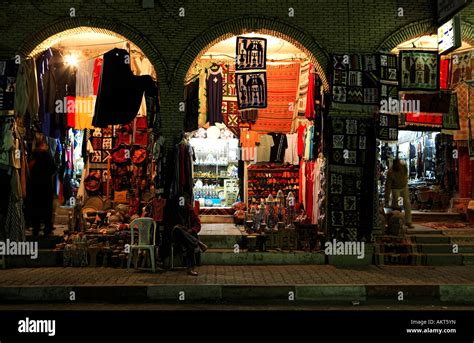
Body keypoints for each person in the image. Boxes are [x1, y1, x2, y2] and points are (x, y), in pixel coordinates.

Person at [164, 200, 207, 276]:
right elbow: (171, 227)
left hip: (188, 237)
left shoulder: (190, 212)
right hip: (176, 237)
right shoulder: (174, 212)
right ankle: (198, 242)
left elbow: (197, 225)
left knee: (189, 244)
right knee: (178, 229)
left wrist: (191, 230)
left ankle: (190, 268)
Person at [26, 136, 57, 236]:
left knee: (36, 207)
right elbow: (53, 168)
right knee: (47, 208)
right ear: (44, 145)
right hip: (46, 185)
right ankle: (47, 228)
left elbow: (29, 168)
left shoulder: (33, 155)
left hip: (35, 185)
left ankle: (36, 228)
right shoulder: (48, 156)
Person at [384, 158, 414, 228]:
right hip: (395, 189)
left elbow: (406, 173)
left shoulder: (404, 167)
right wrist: (386, 198)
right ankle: (398, 220)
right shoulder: (390, 172)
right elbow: (388, 186)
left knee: (407, 204)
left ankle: (408, 221)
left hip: (403, 187)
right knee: (398, 203)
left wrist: (405, 180)